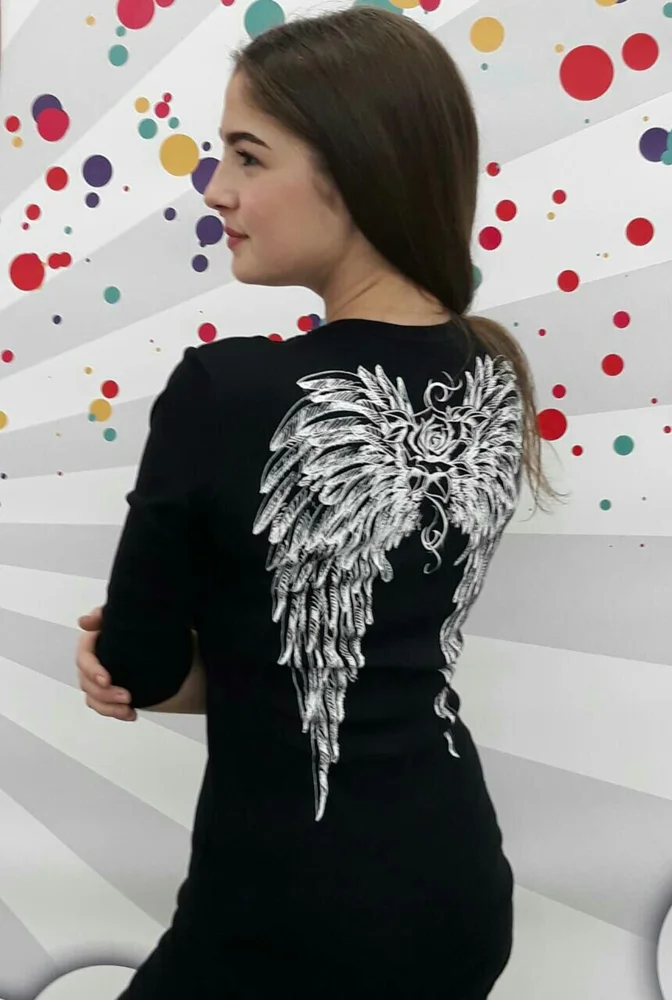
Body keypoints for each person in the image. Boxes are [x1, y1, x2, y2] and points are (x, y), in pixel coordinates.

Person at [77, 7, 557, 998]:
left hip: (291, 915)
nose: (217, 189)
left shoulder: (226, 389)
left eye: (248, 157)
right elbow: (386, 639)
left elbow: (139, 667)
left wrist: (137, 653)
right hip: (460, 888)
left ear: (358, 165)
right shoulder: (492, 371)